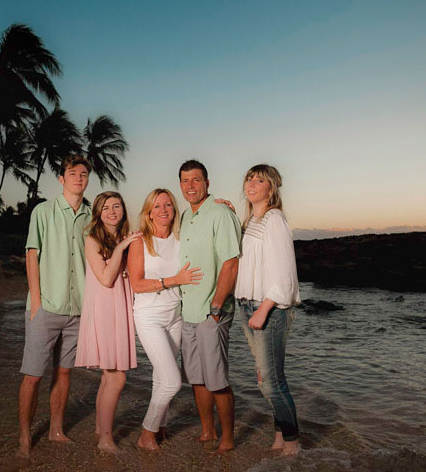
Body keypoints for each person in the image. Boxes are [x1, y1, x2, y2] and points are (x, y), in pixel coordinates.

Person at [18, 154, 92, 459]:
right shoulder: (43, 211)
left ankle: (56, 430)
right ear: (61, 179)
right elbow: (32, 254)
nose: (78, 178)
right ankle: (25, 435)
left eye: (83, 174)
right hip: (45, 307)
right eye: (72, 173)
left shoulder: (93, 215)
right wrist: (36, 301)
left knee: (64, 373)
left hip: (78, 310)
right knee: (33, 375)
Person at [127, 189, 204, 451]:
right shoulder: (140, 242)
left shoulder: (181, 239)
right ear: (149, 212)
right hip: (149, 316)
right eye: (157, 206)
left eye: (168, 205)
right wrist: (173, 280)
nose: (163, 210)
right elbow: (137, 284)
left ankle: (160, 427)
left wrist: (221, 205)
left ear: (174, 210)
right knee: (172, 381)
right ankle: (146, 433)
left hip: (176, 315)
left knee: (161, 378)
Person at [234, 164, 302, 456]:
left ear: (271, 188)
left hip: (267, 309)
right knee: (267, 378)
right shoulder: (251, 221)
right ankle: (279, 435)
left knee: (271, 382)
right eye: (248, 179)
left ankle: (293, 443)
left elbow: (284, 271)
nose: (251, 184)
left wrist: (263, 309)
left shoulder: (274, 219)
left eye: (259, 180)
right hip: (247, 305)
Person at [178, 159, 242, 454]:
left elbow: (231, 262)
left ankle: (227, 438)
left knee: (216, 379)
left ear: (207, 183)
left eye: (196, 180)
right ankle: (207, 431)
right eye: (185, 180)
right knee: (196, 378)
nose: (190, 186)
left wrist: (216, 306)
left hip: (211, 312)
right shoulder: (184, 217)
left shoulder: (220, 213)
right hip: (188, 311)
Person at [75, 192, 141, 453]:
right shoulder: (92, 239)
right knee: (117, 378)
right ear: (98, 213)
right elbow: (105, 278)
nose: (112, 212)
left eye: (116, 206)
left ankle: (98, 430)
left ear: (123, 209)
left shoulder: (123, 237)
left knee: (108, 377)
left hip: (119, 309)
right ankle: (105, 439)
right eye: (105, 208)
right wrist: (121, 249)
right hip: (104, 310)